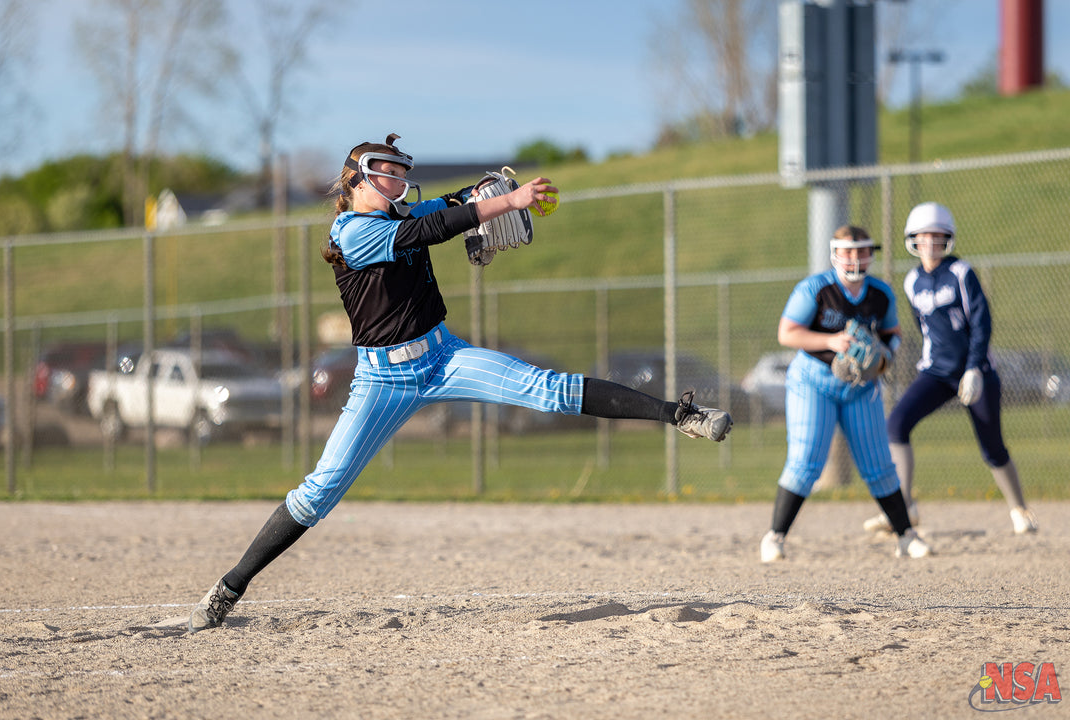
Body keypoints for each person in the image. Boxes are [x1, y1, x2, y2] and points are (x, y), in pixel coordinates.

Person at [187, 133, 733, 632]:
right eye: (386, 171)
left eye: (403, 172)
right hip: (383, 379)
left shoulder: (402, 211)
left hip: (444, 355)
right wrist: (499, 205)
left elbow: (444, 207)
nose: (398, 181)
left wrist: (480, 191)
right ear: (355, 179)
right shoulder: (352, 231)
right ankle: (229, 587)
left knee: (548, 387)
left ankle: (678, 415)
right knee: (321, 489)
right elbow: (431, 228)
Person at [863, 202, 1038, 536]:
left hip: (977, 371)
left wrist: (974, 368)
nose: (930, 242)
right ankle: (904, 508)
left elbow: (981, 323)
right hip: (936, 372)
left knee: (992, 447)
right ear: (912, 238)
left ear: (948, 238)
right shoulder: (912, 280)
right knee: (896, 424)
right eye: (923, 235)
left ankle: (1019, 509)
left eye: (937, 235)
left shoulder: (961, 273)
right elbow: (922, 326)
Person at [760, 225, 930, 563]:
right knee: (806, 462)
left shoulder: (880, 293)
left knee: (879, 464)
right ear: (835, 253)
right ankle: (774, 537)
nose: (855, 258)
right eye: (848, 251)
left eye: (862, 250)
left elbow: (893, 334)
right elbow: (787, 334)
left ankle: (905, 536)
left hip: (859, 387)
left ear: (871, 254)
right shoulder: (817, 289)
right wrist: (830, 341)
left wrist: (885, 356)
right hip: (814, 382)